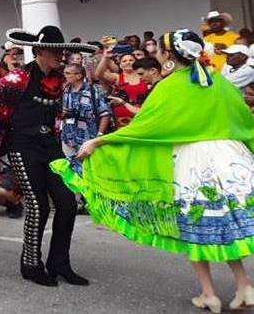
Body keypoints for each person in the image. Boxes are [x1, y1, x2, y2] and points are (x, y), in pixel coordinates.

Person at [54, 29, 254, 313]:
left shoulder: (171, 87)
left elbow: (145, 128)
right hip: (230, 161)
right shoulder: (218, 82)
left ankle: (209, 293)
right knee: (228, 224)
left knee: (195, 228)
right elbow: (245, 119)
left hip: (193, 163)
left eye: (160, 51)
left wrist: (102, 140)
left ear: (169, 56)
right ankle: (244, 284)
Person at [0, 26, 98, 286]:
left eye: (62, 53)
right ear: (38, 51)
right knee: (37, 206)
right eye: (53, 52)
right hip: (22, 147)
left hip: (50, 147)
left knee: (68, 204)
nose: (59, 58)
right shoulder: (17, 80)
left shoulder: (60, 80)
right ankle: (30, 263)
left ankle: (59, 262)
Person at [61, 63, 111, 158]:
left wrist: (100, 135)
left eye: (68, 73)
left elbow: (105, 113)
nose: (65, 76)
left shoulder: (94, 89)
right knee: (70, 167)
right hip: (68, 137)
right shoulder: (65, 90)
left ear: (78, 76)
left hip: (89, 137)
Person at [96, 50, 147, 127]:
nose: (128, 62)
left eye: (131, 60)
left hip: (141, 117)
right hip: (121, 121)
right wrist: (105, 57)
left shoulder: (143, 77)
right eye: (124, 61)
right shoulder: (117, 77)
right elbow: (99, 75)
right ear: (120, 65)